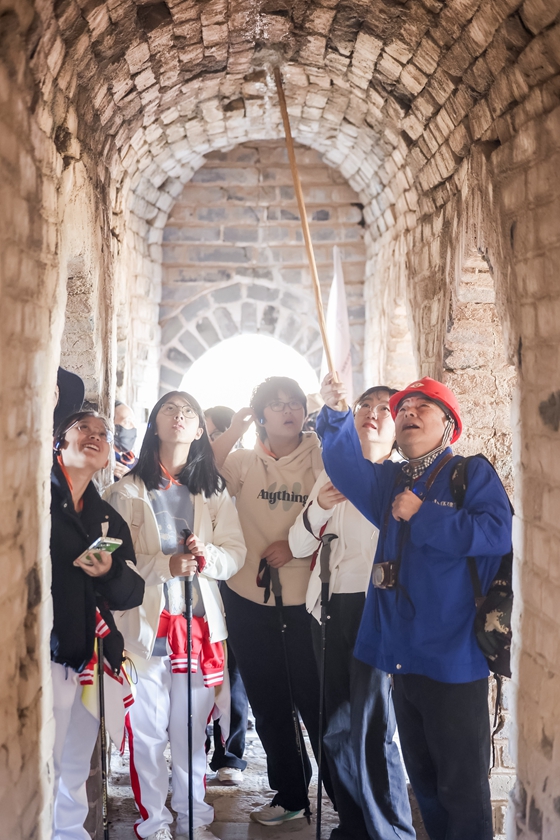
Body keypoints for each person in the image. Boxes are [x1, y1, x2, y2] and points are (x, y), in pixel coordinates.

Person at [318, 374, 513, 840]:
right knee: (423, 781)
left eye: (423, 407)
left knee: (461, 787)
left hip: (453, 656)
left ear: (449, 425)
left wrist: (423, 514)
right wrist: (337, 413)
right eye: (402, 409)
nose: (408, 413)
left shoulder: (470, 473)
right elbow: (345, 466)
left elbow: (496, 534)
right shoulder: (391, 481)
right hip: (400, 655)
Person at [104, 391, 246, 840]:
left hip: (198, 627)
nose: (179, 416)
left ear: (200, 429)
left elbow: (235, 553)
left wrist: (208, 560)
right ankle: (154, 824)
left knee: (189, 734)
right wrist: (163, 566)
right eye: (170, 409)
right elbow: (109, 561)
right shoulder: (122, 491)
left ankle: (194, 819)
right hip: (144, 630)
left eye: (188, 412)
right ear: (155, 423)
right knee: (147, 732)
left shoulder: (213, 490)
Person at [289, 385, 415, 840]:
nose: (372, 414)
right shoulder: (331, 477)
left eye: (385, 408)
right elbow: (298, 545)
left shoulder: (403, 480)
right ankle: (354, 824)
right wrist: (318, 509)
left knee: (375, 727)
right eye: (364, 406)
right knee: (336, 727)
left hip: (375, 608)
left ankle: (391, 831)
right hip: (326, 607)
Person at [212, 376, 332, 826]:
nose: (288, 410)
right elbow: (201, 473)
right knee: (269, 703)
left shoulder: (318, 454)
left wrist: (296, 546)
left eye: (295, 404)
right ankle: (290, 794)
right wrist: (236, 425)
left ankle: (345, 797)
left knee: (317, 702)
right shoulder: (244, 461)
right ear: (262, 414)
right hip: (248, 596)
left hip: (306, 600)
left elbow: (337, 506)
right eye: (277, 405)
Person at [50, 410, 145, 840]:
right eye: (83, 428)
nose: (95, 436)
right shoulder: (37, 498)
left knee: (73, 764)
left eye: (103, 434)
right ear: (58, 442)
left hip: (91, 653)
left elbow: (131, 592)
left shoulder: (107, 518)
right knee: (41, 760)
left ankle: (68, 833)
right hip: (46, 650)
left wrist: (107, 572)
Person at [204, 404, 249, 785]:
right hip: (197, 579)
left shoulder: (235, 468)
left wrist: (232, 430)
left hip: (232, 575)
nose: (205, 442)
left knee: (231, 670)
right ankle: (196, 747)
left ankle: (229, 753)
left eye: (211, 434)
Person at [113, 401, 138, 480]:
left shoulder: (136, 464)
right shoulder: (101, 460)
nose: (133, 426)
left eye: (133, 421)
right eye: (127, 421)